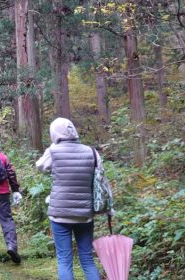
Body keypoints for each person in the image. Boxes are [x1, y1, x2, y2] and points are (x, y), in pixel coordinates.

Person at [36, 117, 111, 280]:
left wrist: (52, 148)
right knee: (87, 260)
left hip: (59, 214)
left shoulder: (53, 151)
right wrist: (108, 207)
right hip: (85, 214)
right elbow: (102, 180)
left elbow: (41, 166)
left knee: (64, 261)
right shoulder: (91, 151)